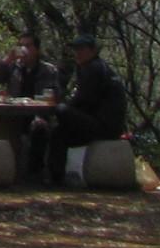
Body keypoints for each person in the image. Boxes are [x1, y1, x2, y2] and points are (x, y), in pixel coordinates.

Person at [36, 31, 127, 184]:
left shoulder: (94, 69)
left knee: (61, 110)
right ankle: (55, 178)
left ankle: (52, 176)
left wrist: (61, 109)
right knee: (59, 134)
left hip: (105, 127)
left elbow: (84, 101)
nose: (77, 53)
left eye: (81, 49)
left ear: (92, 51)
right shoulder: (91, 67)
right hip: (100, 123)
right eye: (76, 50)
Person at [0, 31, 63, 182]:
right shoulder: (13, 68)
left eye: (28, 46)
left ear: (37, 49)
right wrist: (7, 60)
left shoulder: (48, 70)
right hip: (12, 116)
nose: (24, 49)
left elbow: (55, 97)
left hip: (37, 115)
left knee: (40, 128)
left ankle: (34, 174)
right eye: (21, 45)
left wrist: (41, 100)